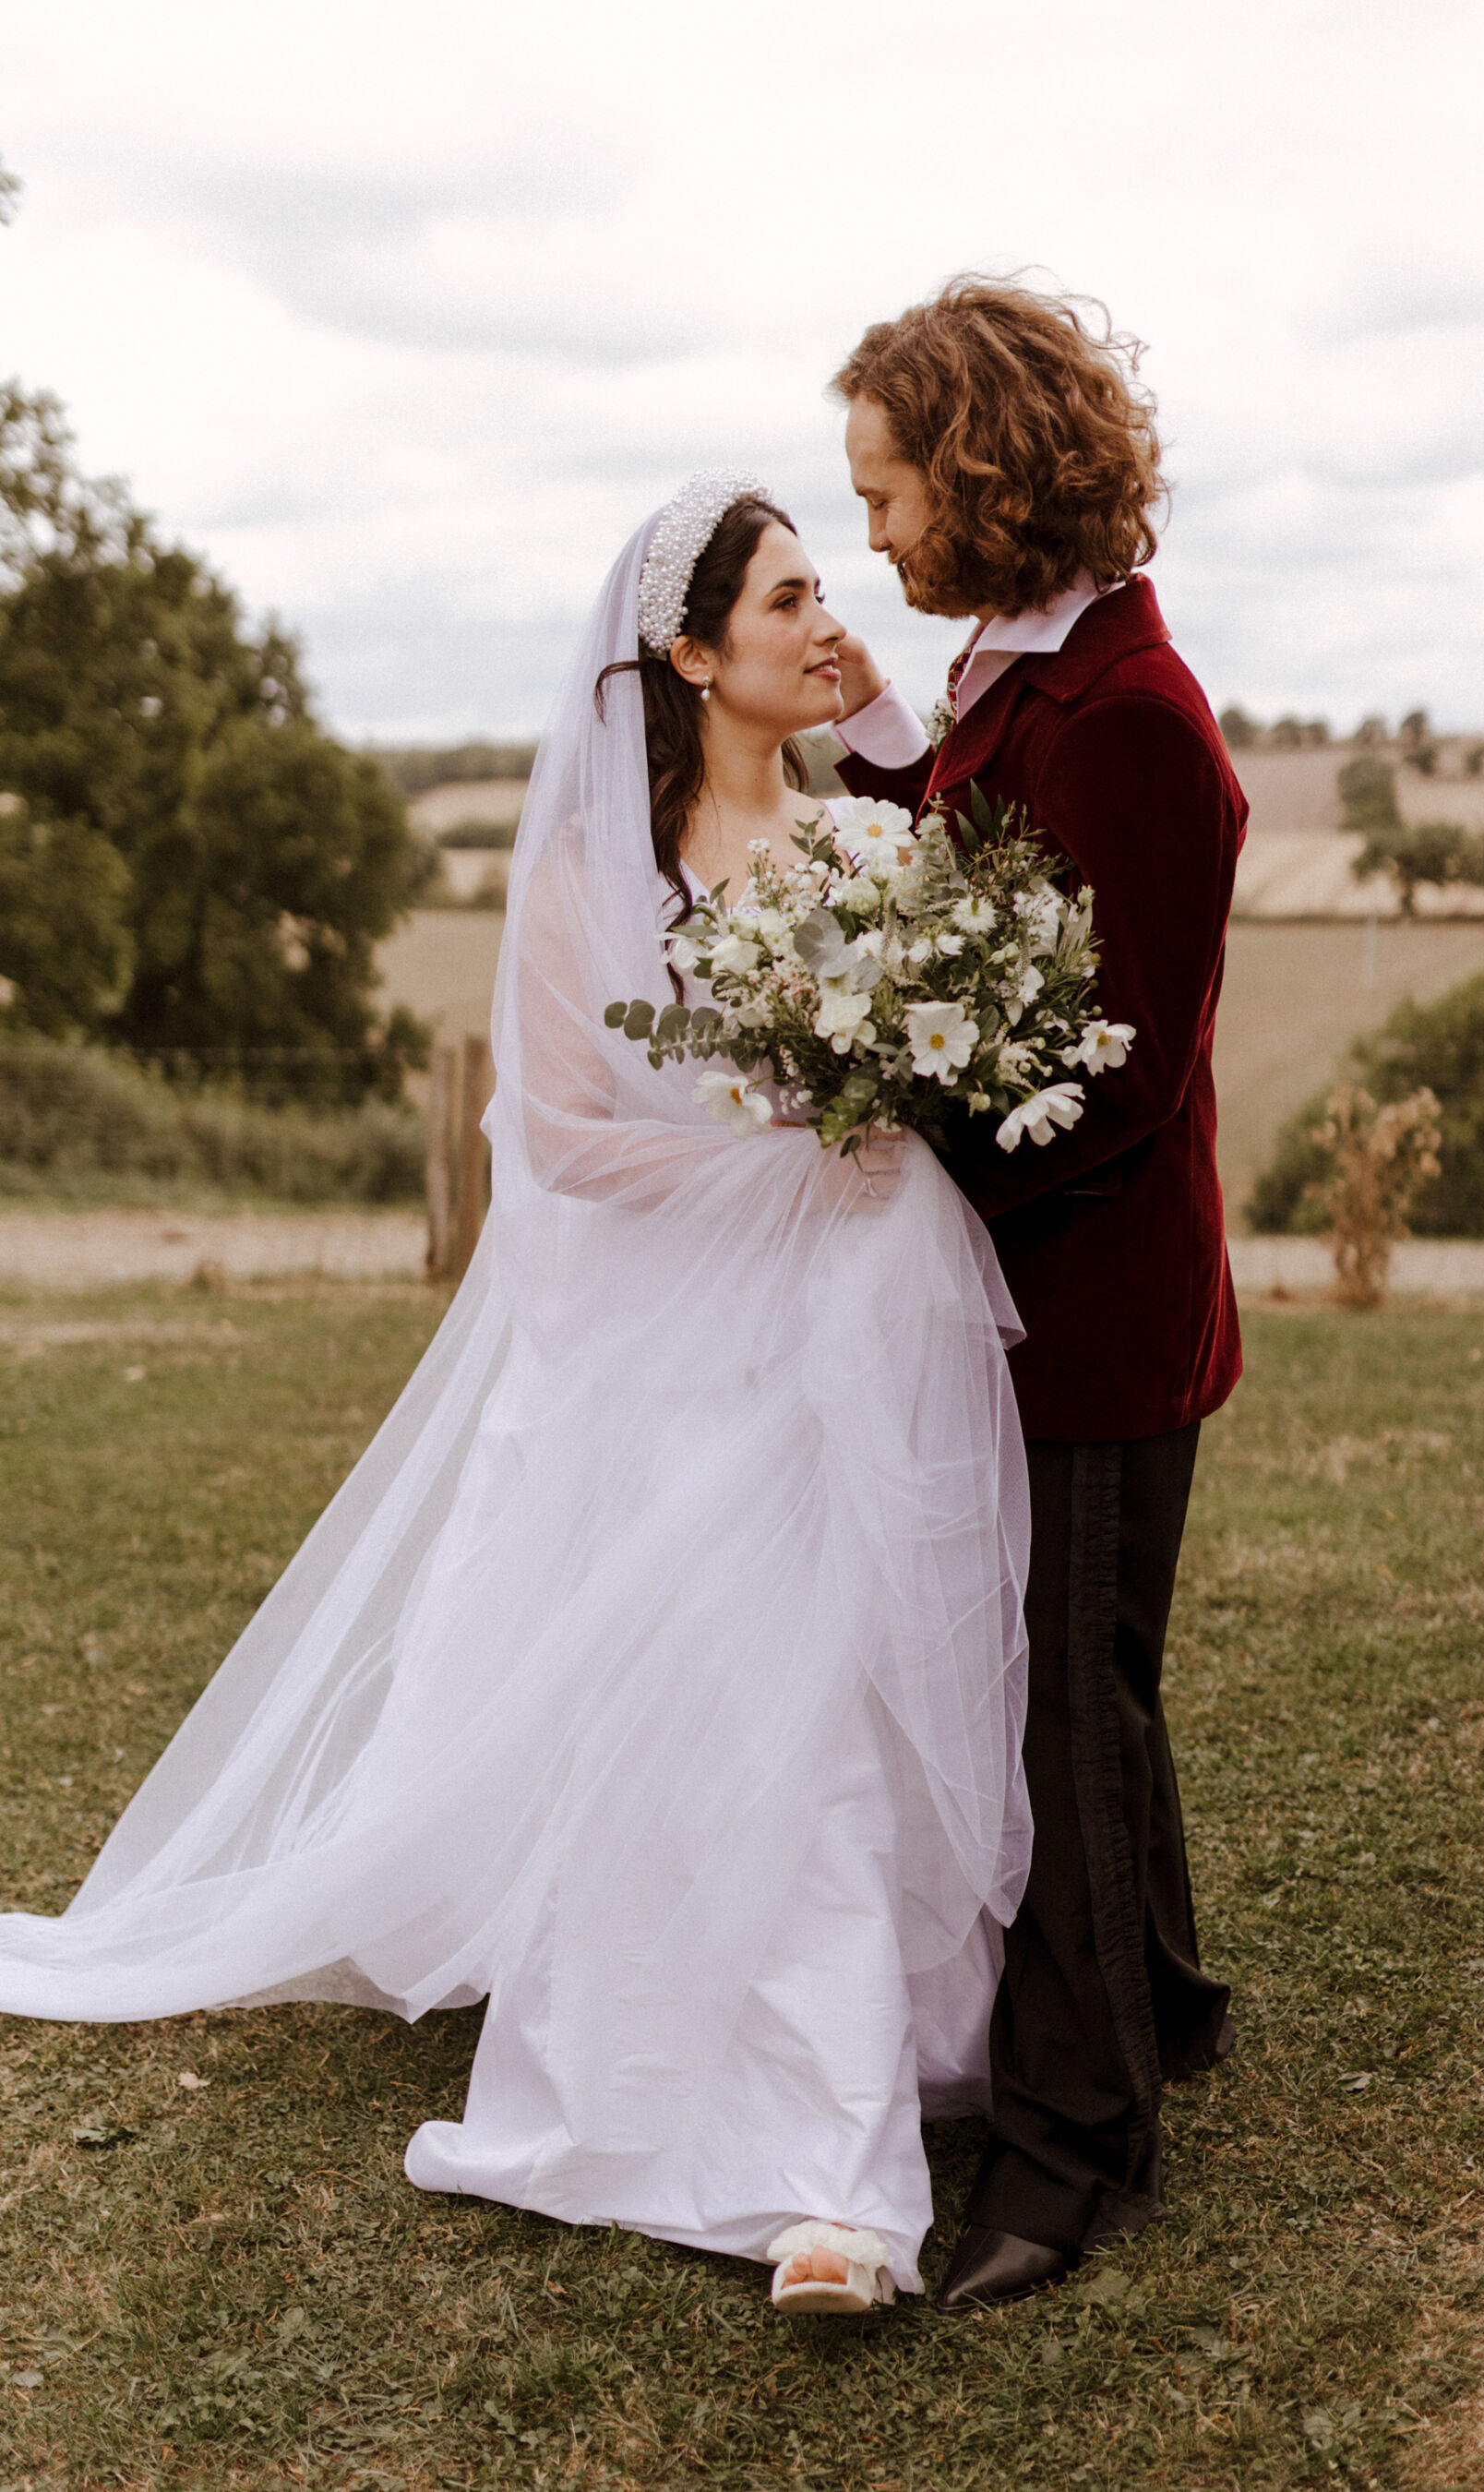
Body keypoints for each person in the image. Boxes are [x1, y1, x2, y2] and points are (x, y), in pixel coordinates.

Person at [0, 473, 1034, 2318]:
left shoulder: (873, 859)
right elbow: (562, 1143)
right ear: (689, 650)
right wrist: (783, 1154)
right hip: (673, 1369)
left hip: (842, 1353)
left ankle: (849, 2127)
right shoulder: (587, 884)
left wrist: (874, 1095)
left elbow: (947, 1031)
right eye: (788, 598)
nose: (826, 622)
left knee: (840, 1722)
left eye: (824, 590)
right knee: (732, 1729)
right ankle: (772, 2149)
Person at [829, 277, 1244, 2309]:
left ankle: (1072, 2157)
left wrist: (910, 1137)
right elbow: (963, 856)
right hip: (1022, 1294)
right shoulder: (1016, 667)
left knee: (1063, 1709)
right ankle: (1161, 2002)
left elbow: (1123, 1071)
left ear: (978, 474)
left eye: (888, 493)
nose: (876, 538)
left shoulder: (1142, 722)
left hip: (1091, 1309)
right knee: (1097, 1677)